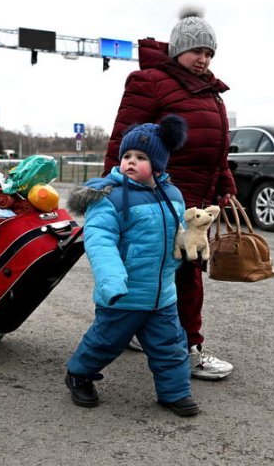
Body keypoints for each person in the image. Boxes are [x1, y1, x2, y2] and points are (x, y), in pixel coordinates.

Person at [103, 7, 236, 381]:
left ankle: (138, 330)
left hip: (196, 198)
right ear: (177, 49)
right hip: (161, 196)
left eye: (209, 52)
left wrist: (225, 182)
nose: (204, 58)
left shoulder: (210, 90)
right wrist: (108, 191)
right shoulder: (151, 82)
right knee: (183, 274)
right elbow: (123, 140)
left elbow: (215, 148)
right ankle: (187, 349)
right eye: (196, 50)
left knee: (166, 270)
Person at [65, 115, 199, 417]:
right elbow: (99, 241)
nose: (130, 162)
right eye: (126, 156)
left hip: (162, 294)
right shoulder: (110, 198)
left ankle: (174, 392)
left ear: (159, 163)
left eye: (140, 157)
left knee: (171, 346)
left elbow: (176, 234)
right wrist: (111, 279)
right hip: (123, 293)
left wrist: (189, 245)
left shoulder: (173, 195)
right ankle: (79, 374)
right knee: (105, 341)